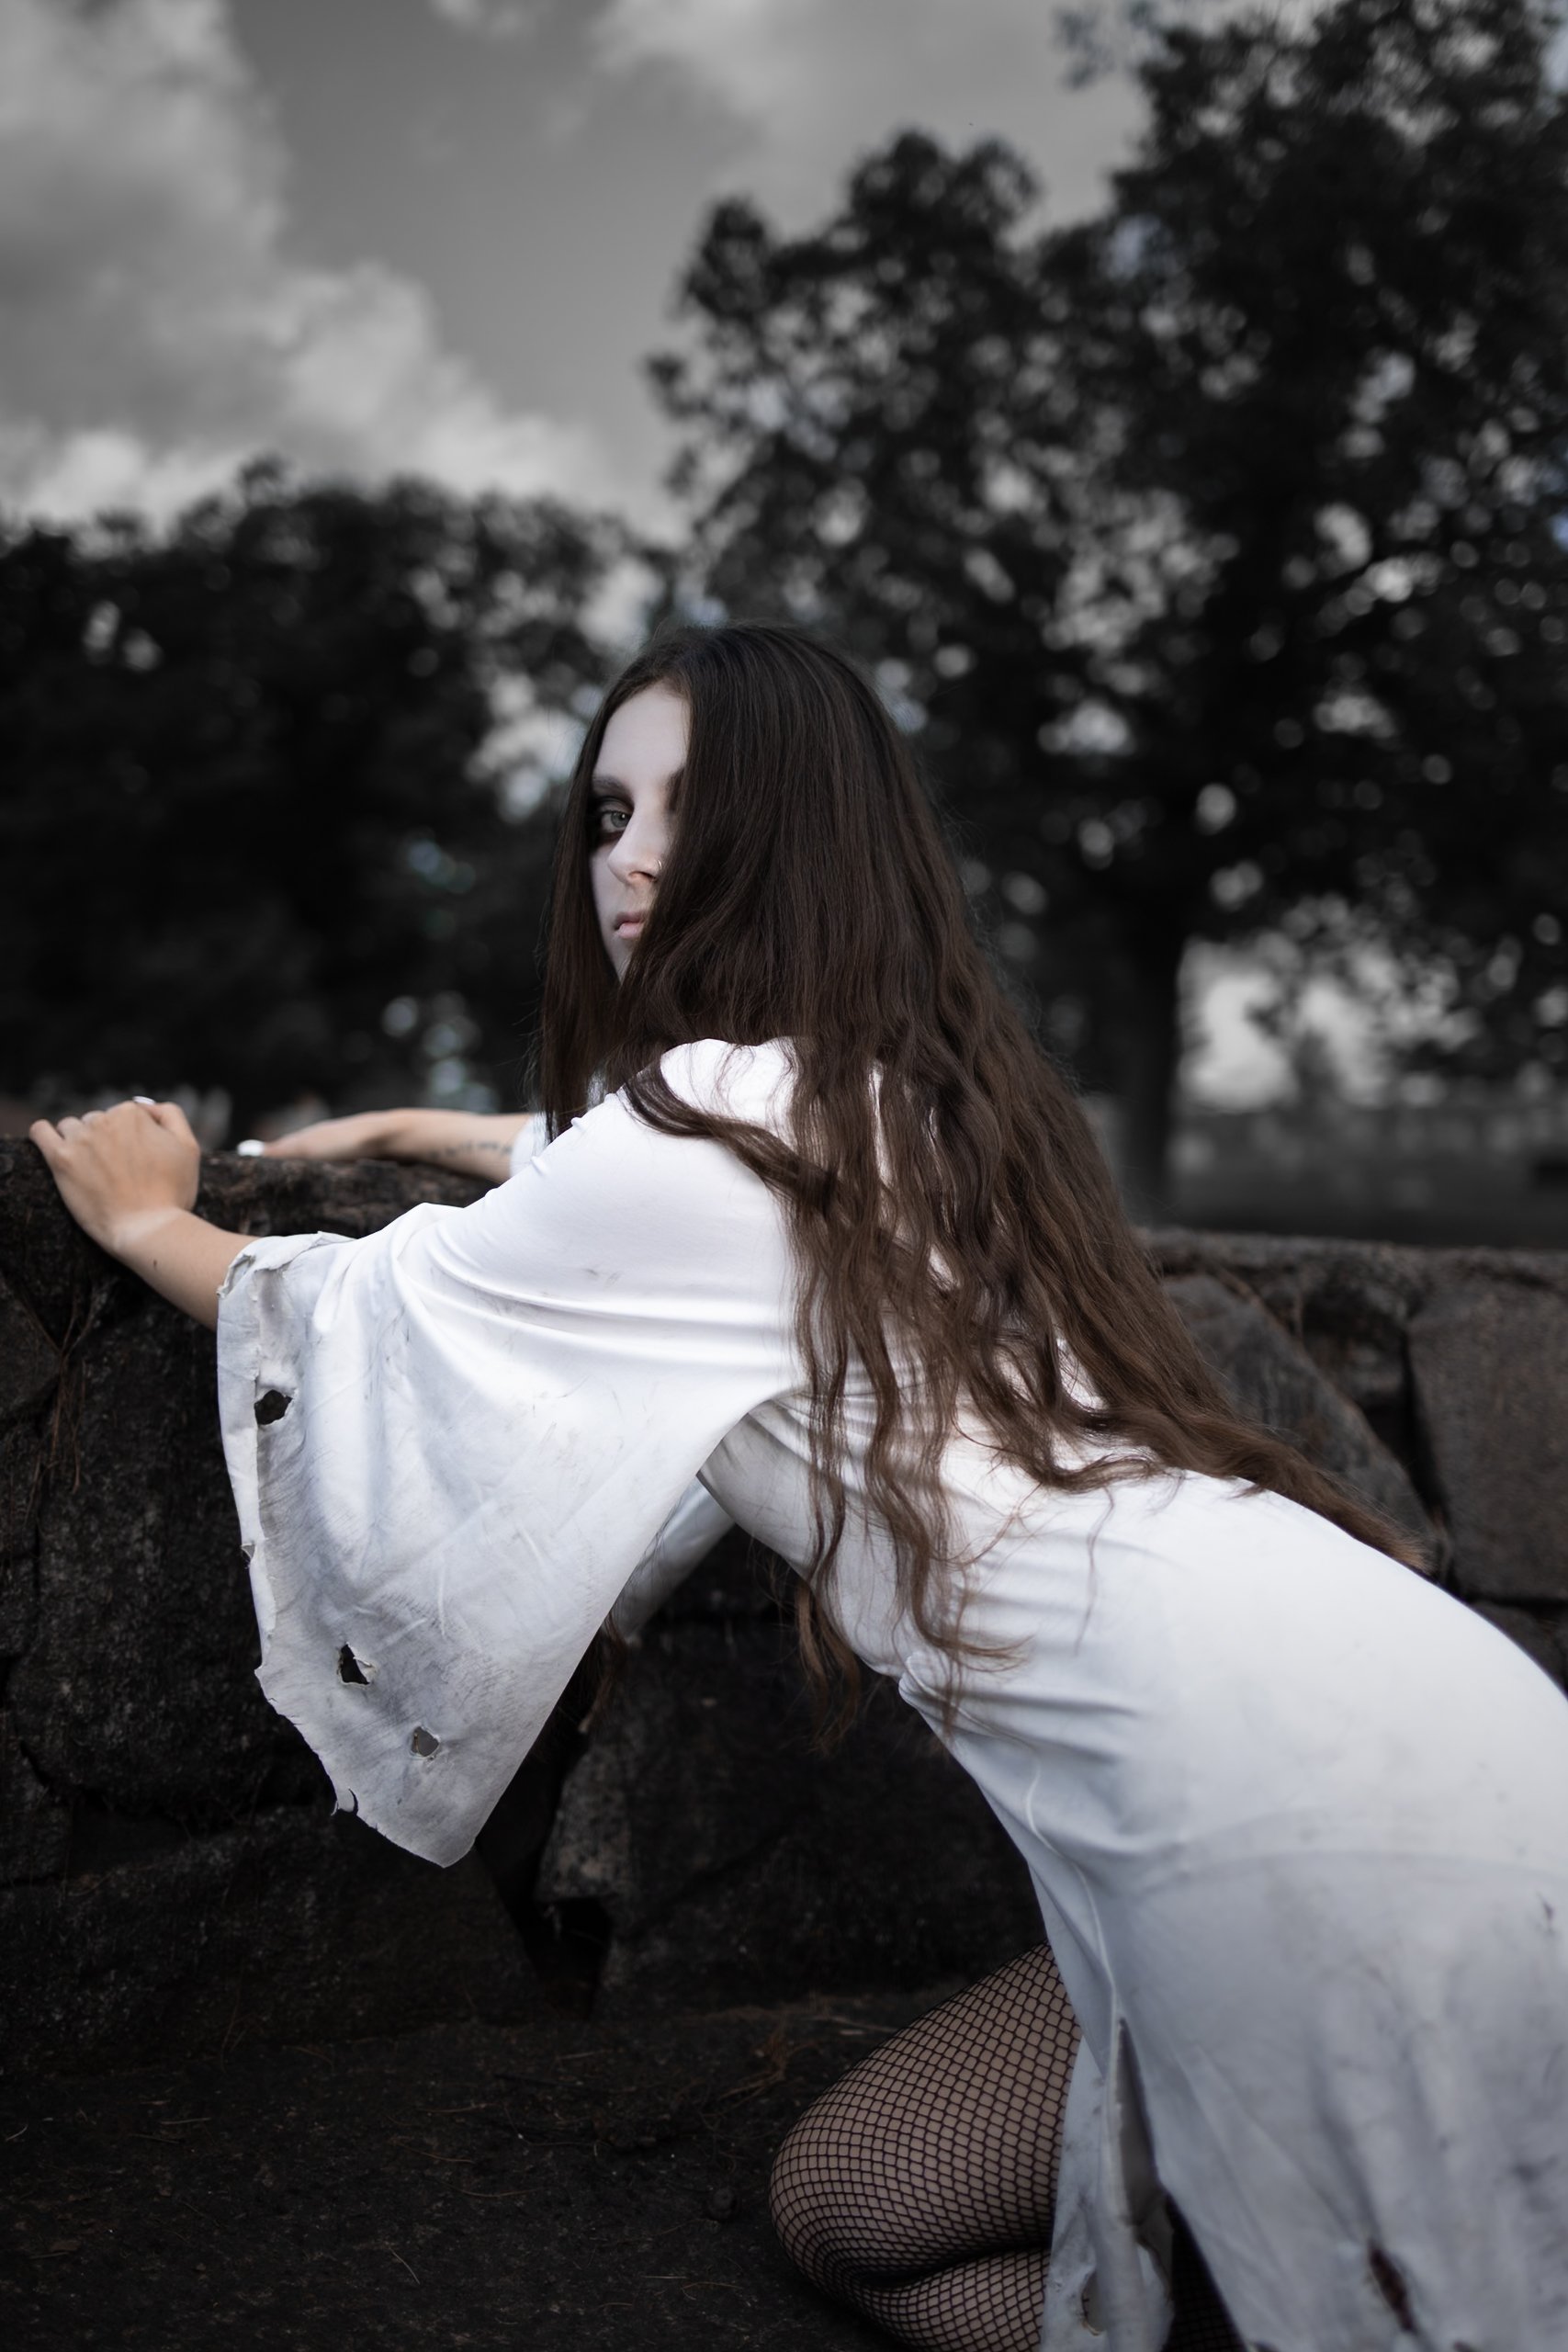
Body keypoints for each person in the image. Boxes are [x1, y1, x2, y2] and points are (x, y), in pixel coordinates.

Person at [29, 623, 1568, 2352]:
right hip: (1458, 1726)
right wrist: (434, 1127)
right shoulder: (918, 1105)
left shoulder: (716, 1134)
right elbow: (641, 1188)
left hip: (1286, 1823)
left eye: (690, 804)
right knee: (853, 2206)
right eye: (606, 808)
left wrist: (157, 1215)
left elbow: (376, 1311)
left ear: (806, 829)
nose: (629, 854)